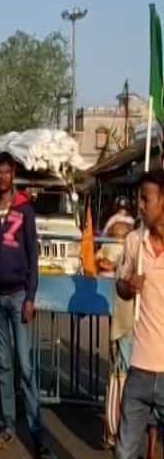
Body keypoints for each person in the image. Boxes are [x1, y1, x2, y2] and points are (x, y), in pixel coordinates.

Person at [0, 152, 50, 458]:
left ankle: (36, 431)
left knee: (25, 365)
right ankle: (9, 425)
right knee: (4, 365)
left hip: (20, 296)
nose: (2, 177)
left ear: (14, 174)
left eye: (7, 172)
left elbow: (33, 257)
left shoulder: (26, 209)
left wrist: (31, 296)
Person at [115, 170, 164, 459]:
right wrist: (128, 284)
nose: (140, 205)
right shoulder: (135, 242)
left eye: (146, 199)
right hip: (140, 369)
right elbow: (120, 286)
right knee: (124, 452)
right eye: (139, 199)